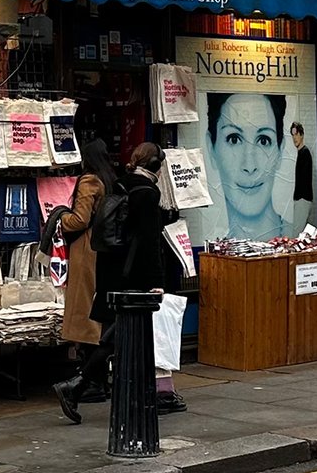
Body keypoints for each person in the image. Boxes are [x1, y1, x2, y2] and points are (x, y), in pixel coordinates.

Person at [55, 142, 178, 424]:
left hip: (110, 270)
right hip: (131, 274)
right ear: (156, 166)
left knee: (113, 335)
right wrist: (156, 281)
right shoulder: (145, 193)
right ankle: (78, 384)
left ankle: (91, 385)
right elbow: (149, 241)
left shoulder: (120, 184)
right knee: (119, 336)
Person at [51, 139, 115, 406]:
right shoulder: (109, 179)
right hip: (102, 251)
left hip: (86, 252)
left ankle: (91, 382)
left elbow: (80, 219)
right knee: (97, 316)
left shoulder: (89, 181)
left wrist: (58, 218)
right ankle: (97, 380)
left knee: (86, 318)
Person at [205, 92, 295, 241]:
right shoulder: (212, 244)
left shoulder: (297, 236)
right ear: (211, 148)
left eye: (264, 140)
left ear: (280, 150)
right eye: (234, 139)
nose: (250, 166)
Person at [292, 122, 315, 227]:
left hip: (303, 198)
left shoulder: (304, 153)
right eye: (293, 135)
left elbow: (304, 179)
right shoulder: (300, 153)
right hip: (301, 198)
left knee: (297, 230)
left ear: (301, 135)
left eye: (296, 134)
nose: (294, 138)